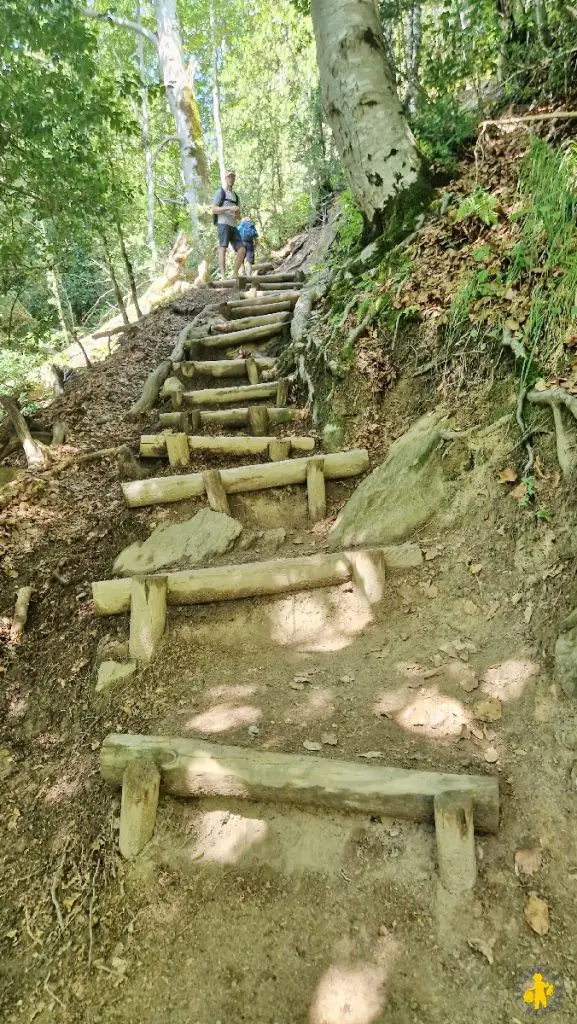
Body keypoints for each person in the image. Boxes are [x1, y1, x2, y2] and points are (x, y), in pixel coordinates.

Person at [211, 170, 246, 281]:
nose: (231, 179)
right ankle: (223, 276)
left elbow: (239, 216)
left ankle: (235, 274)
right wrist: (228, 208)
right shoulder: (220, 192)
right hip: (223, 224)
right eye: (229, 177)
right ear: (225, 179)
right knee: (223, 248)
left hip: (233, 225)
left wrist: (237, 215)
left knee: (242, 250)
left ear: (234, 179)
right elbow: (213, 209)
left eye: (233, 177)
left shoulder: (236, 196)